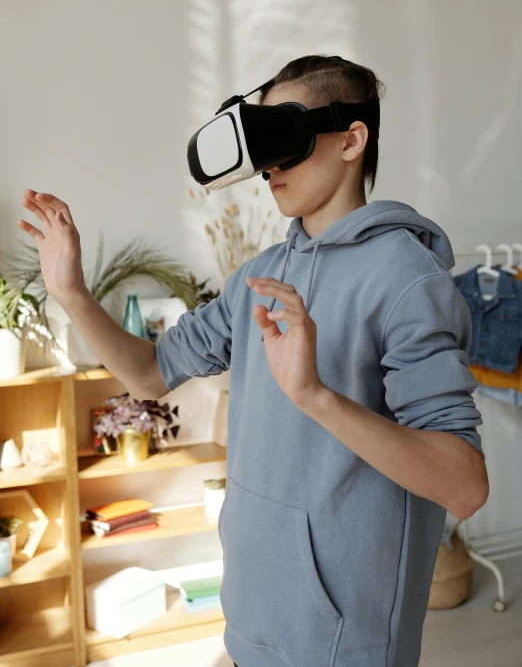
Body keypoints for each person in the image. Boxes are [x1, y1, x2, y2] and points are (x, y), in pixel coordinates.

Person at [17, 54, 489, 667]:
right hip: (249, 623)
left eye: (283, 138)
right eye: (259, 144)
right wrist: (72, 293)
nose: (268, 165)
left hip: (344, 646)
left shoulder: (406, 278)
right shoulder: (260, 275)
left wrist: (315, 396)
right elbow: (150, 372)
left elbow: (465, 484)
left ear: (352, 140)